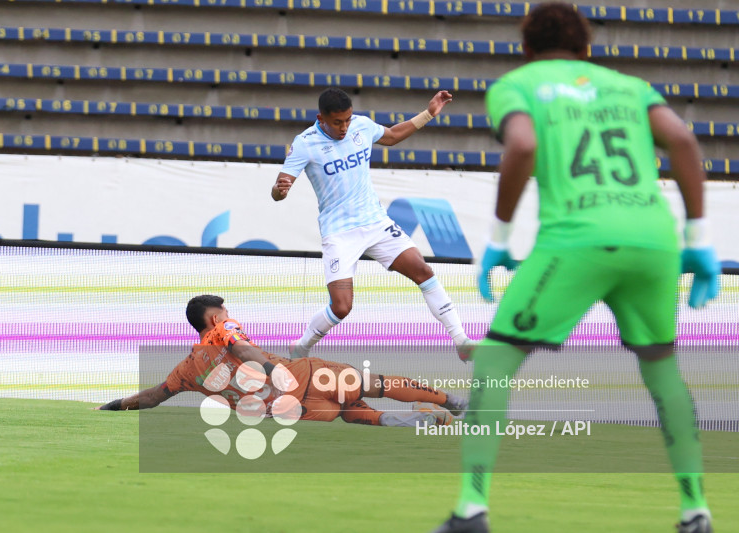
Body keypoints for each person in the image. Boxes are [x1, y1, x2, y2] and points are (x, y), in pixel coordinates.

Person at [432, 4, 720, 533]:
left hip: (578, 240)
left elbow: (522, 144)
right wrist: (697, 238)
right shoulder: (628, 86)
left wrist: (498, 236)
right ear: (587, 47)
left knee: (495, 362)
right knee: (663, 372)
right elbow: (682, 140)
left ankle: (471, 511)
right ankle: (695, 510)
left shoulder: (519, 85)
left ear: (526, 48)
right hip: (653, 240)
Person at [272, 87, 475, 360]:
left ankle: (461, 340)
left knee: (423, 271)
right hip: (340, 234)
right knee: (342, 308)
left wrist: (429, 113)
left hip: (375, 222)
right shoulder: (305, 143)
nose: (344, 127)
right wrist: (279, 190)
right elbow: (280, 188)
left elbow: (392, 136)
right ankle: (302, 346)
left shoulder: (361, 126)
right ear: (321, 118)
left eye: (347, 119)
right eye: (337, 122)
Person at [96, 295, 467, 428]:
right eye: (225, 311)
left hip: (293, 411)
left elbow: (154, 396)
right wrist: (276, 371)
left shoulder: (186, 370)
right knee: (375, 384)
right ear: (214, 318)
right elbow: (242, 350)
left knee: (356, 413)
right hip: (303, 378)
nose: (229, 314)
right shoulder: (223, 329)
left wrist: (116, 405)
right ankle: (454, 403)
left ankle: (429, 421)